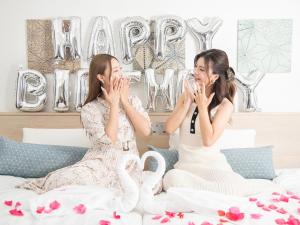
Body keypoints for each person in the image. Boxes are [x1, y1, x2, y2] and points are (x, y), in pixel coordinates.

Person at [17, 54, 151, 194]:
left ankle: (105, 190)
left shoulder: (133, 101)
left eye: (120, 69)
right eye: (116, 70)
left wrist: (124, 102)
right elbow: (109, 140)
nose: (121, 75)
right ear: (101, 77)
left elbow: (146, 131)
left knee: (152, 184)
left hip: (129, 166)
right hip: (101, 165)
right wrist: (114, 105)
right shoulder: (90, 109)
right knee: (66, 180)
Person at [163, 49, 277, 196]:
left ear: (215, 76)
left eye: (202, 69)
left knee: (231, 186)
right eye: (196, 67)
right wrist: (187, 103)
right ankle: (208, 195)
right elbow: (169, 128)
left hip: (213, 169)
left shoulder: (225, 105)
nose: (195, 72)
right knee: (170, 178)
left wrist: (203, 108)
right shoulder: (186, 96)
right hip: (185, 169)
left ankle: (199, 195)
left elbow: (208, 141)